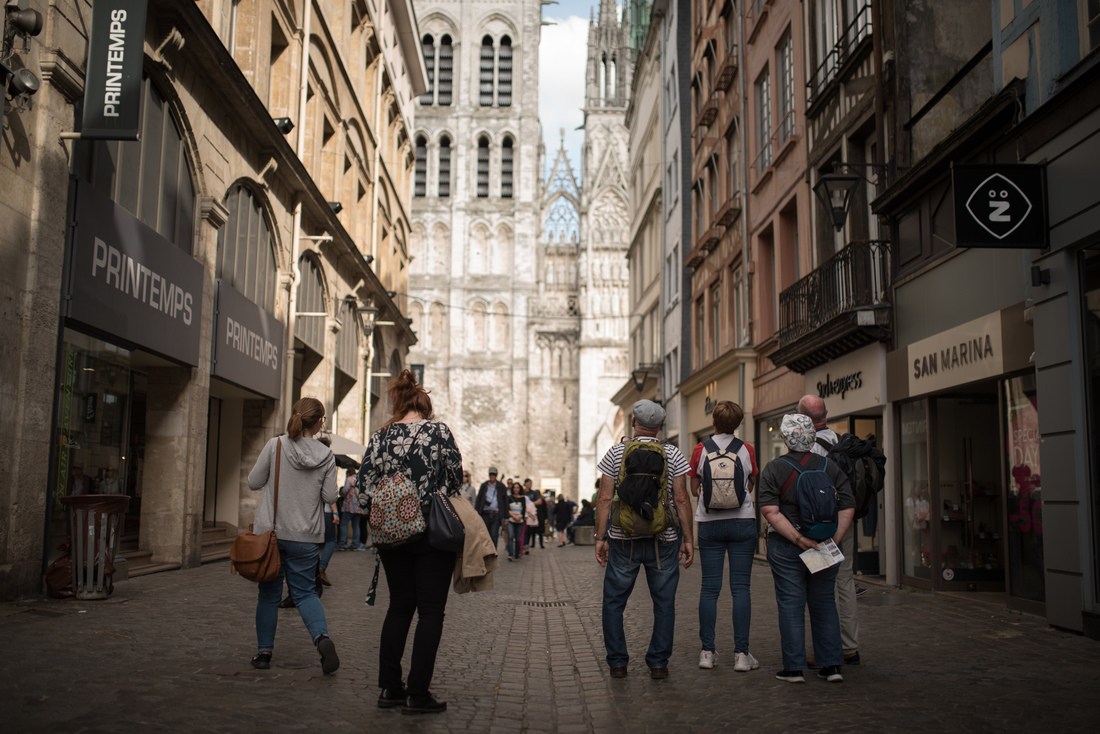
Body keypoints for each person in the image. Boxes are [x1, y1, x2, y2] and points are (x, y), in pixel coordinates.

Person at [357, 369, 463, 715]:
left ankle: (390, 687)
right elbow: (454, 477)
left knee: (399, 606)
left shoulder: (380, 436)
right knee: (430, 611)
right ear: (424, 406)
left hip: (392, 534)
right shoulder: (439, 432)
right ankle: (417, 693)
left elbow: (363, 490)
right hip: (432, 531)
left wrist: (389, 511)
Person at [594, 399, 694, 680]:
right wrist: (688, 539)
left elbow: (604, 498)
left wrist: (600, 537)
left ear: (634, 424)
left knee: (614, 602)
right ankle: (658, 662)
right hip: (663, 538)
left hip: (623, 537)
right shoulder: (673, 454)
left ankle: (617, 662)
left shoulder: (615, 453)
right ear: (660, 427)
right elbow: (681, 498)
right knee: (664, 603)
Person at [246, 397, 340, 674]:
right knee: (306, 594)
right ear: (320, 422)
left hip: (271, 535)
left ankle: (264, 653)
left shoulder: (276, 445)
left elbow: (253, 481)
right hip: (306, 536)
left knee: (268, 596)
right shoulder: (326, 456)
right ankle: (321, 638)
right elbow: (330, 496)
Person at [758, 413, 854, 684]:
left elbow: (770, 510)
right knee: (824, 602)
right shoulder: (829, 466)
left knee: (791, 603)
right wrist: (833, 538)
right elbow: (847, 504)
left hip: (786, 546)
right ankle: (832, 665)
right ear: (812, 436)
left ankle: (794, 668)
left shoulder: (774, 468)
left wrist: (799, 540)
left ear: (785, 437)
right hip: (825, 544)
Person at [688, 400, 761, 672]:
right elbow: (751, 482)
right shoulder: (746, 449)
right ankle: (742, 655)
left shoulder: (700, 449)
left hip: (710, 523)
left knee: (710, 588)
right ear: (738, 424)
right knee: (740, 588)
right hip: (742, 522)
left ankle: (707, 652)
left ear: (714, 423)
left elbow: (695, 487)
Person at [798, 393, 860, 666]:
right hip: (846, 521)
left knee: (820, 589)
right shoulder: (841, 442)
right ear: (826, 414)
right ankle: (850, 647)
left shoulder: (810, 447)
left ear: (803, 418)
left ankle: (826, 650)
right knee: (845, 583)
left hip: (821, 526)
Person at [474, 467, 508, 549]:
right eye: (491, 474)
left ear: (496, 475)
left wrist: (505, 517)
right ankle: (486, 552)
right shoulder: (484, 485)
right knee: (485, 535)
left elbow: (505, 502)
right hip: (485, 513)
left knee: (494, 535)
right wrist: (476, 513)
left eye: (494, 474)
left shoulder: (501, 486)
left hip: (496, 514)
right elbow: (479, 499)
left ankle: (493, 553)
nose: (492, 476)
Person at [338, 472, 363, 550]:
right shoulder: (360, 479)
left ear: (348, 472)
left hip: (349, 507)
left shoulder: (349, 479)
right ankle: (355, 544)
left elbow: (345, 491)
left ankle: (342, 544)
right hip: (358, 506)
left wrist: (342, 493)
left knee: (343, 524)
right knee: (356, 526)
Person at [505, 481, 527, 561]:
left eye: (518, 487)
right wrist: (514, 516)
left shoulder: (523, 498)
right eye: (514, 487)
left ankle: (517, 553)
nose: (516, 489)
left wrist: (519, 517)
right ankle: (510, 554)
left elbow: (524, 510)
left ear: (520, 488)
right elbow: (507, 509)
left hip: (520, 521)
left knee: (518, 538)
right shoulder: (509, 497)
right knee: (510, 536)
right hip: (511, 520)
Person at [524, 479, 541, 552]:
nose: (530, 485)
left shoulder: (533, 493)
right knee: (523, 531)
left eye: (531, 483)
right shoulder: (522, 491)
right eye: (529, 483)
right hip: (522, 514)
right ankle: (523, 545)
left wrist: (531, 504)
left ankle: (526, 545)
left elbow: (539, 501)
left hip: (530, 515)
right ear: (525, 484)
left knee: (528, 531)